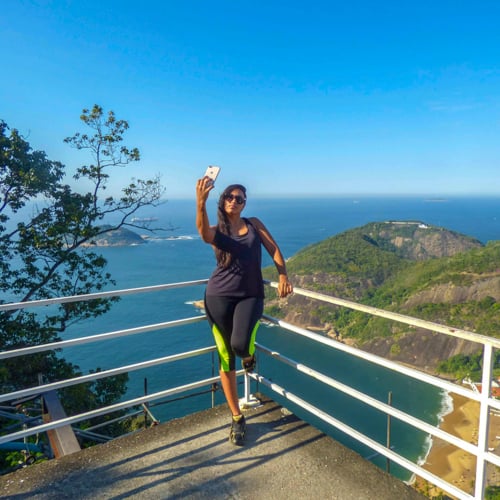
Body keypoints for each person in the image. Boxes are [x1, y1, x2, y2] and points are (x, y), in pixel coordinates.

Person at [196, 177, 293, 445]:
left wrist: (282, 275)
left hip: (250, 295)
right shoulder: (218, 231)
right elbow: (203, 234)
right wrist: (200, 202)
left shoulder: (254, 224)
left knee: (240, 345)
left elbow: (273, 248)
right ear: (222, 201)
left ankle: (248, 356)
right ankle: (237, 417)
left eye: (239, 198)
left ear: (244, 204)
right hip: (218, 296)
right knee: (225, 356)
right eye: (230, 197)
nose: (234, 201)